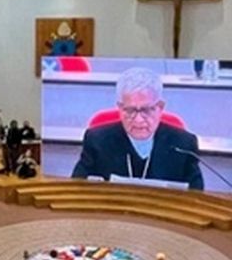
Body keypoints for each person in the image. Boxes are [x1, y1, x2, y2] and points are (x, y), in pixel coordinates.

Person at [70, 67, 203, 189]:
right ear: (120, 108)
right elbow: (77, 189)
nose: (138, 120)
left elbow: (197, 197)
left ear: (160, 107)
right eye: (130, 110)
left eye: (146, 110)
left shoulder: (184, 145)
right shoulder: (96, 141)